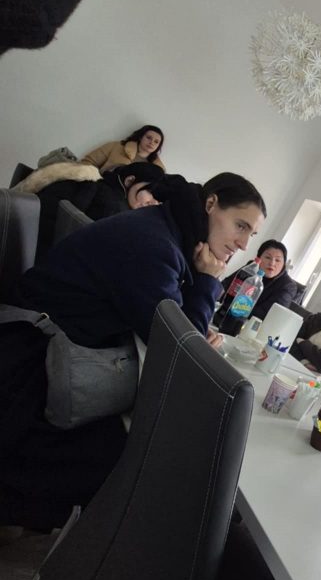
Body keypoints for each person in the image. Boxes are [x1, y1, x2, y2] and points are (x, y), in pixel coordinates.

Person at [0, 173, 266, 530]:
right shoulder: (155, 246)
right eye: (240, 225)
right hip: (28, 364)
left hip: (47, 339)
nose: (243, 244)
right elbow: (181, 356)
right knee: (144, 450)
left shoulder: (166, 229)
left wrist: (195, 306)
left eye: (252, 234)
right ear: (210, 203)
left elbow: (172, 324)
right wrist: (207, 283)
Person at [14, 161, 164, 258]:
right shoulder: (113, 206)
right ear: (129, 180)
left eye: (159, 199)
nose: (154, 202)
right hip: (40, 253)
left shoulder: (101, 186)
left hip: (23, 241)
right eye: (151, 192)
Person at [220, 239, 298, 320]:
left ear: (283, 264)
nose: (272, 263)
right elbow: (225, 285)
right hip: (224, 314)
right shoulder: (251, 267)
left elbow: (267, 314)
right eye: (268, 257)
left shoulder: (288, 286)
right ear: (258, 258)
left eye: (277, 260)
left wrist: (232, 306)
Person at [81, 125, 166, 173]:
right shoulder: (116, 146)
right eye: (149, 138)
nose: (152, 142)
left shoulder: (157, 169)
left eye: (156, 142)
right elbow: (89, 162)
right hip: (102, 187)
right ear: (140, 137)